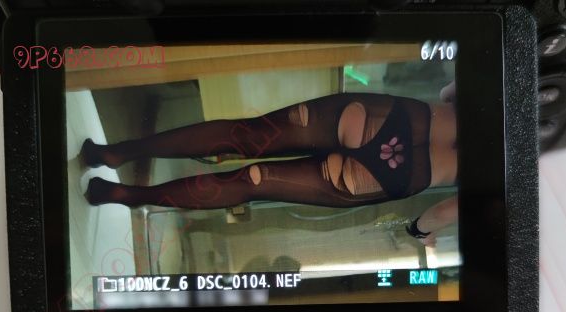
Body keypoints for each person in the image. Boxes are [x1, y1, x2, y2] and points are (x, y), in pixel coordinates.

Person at [81, 84, 458, 240]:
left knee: (242, 135)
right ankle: (127, 195)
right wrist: (418, 231)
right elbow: (446, 212)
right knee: (251, 182)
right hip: (398, 175)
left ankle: (115, 152)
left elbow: (450, 92)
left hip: (394, 118)